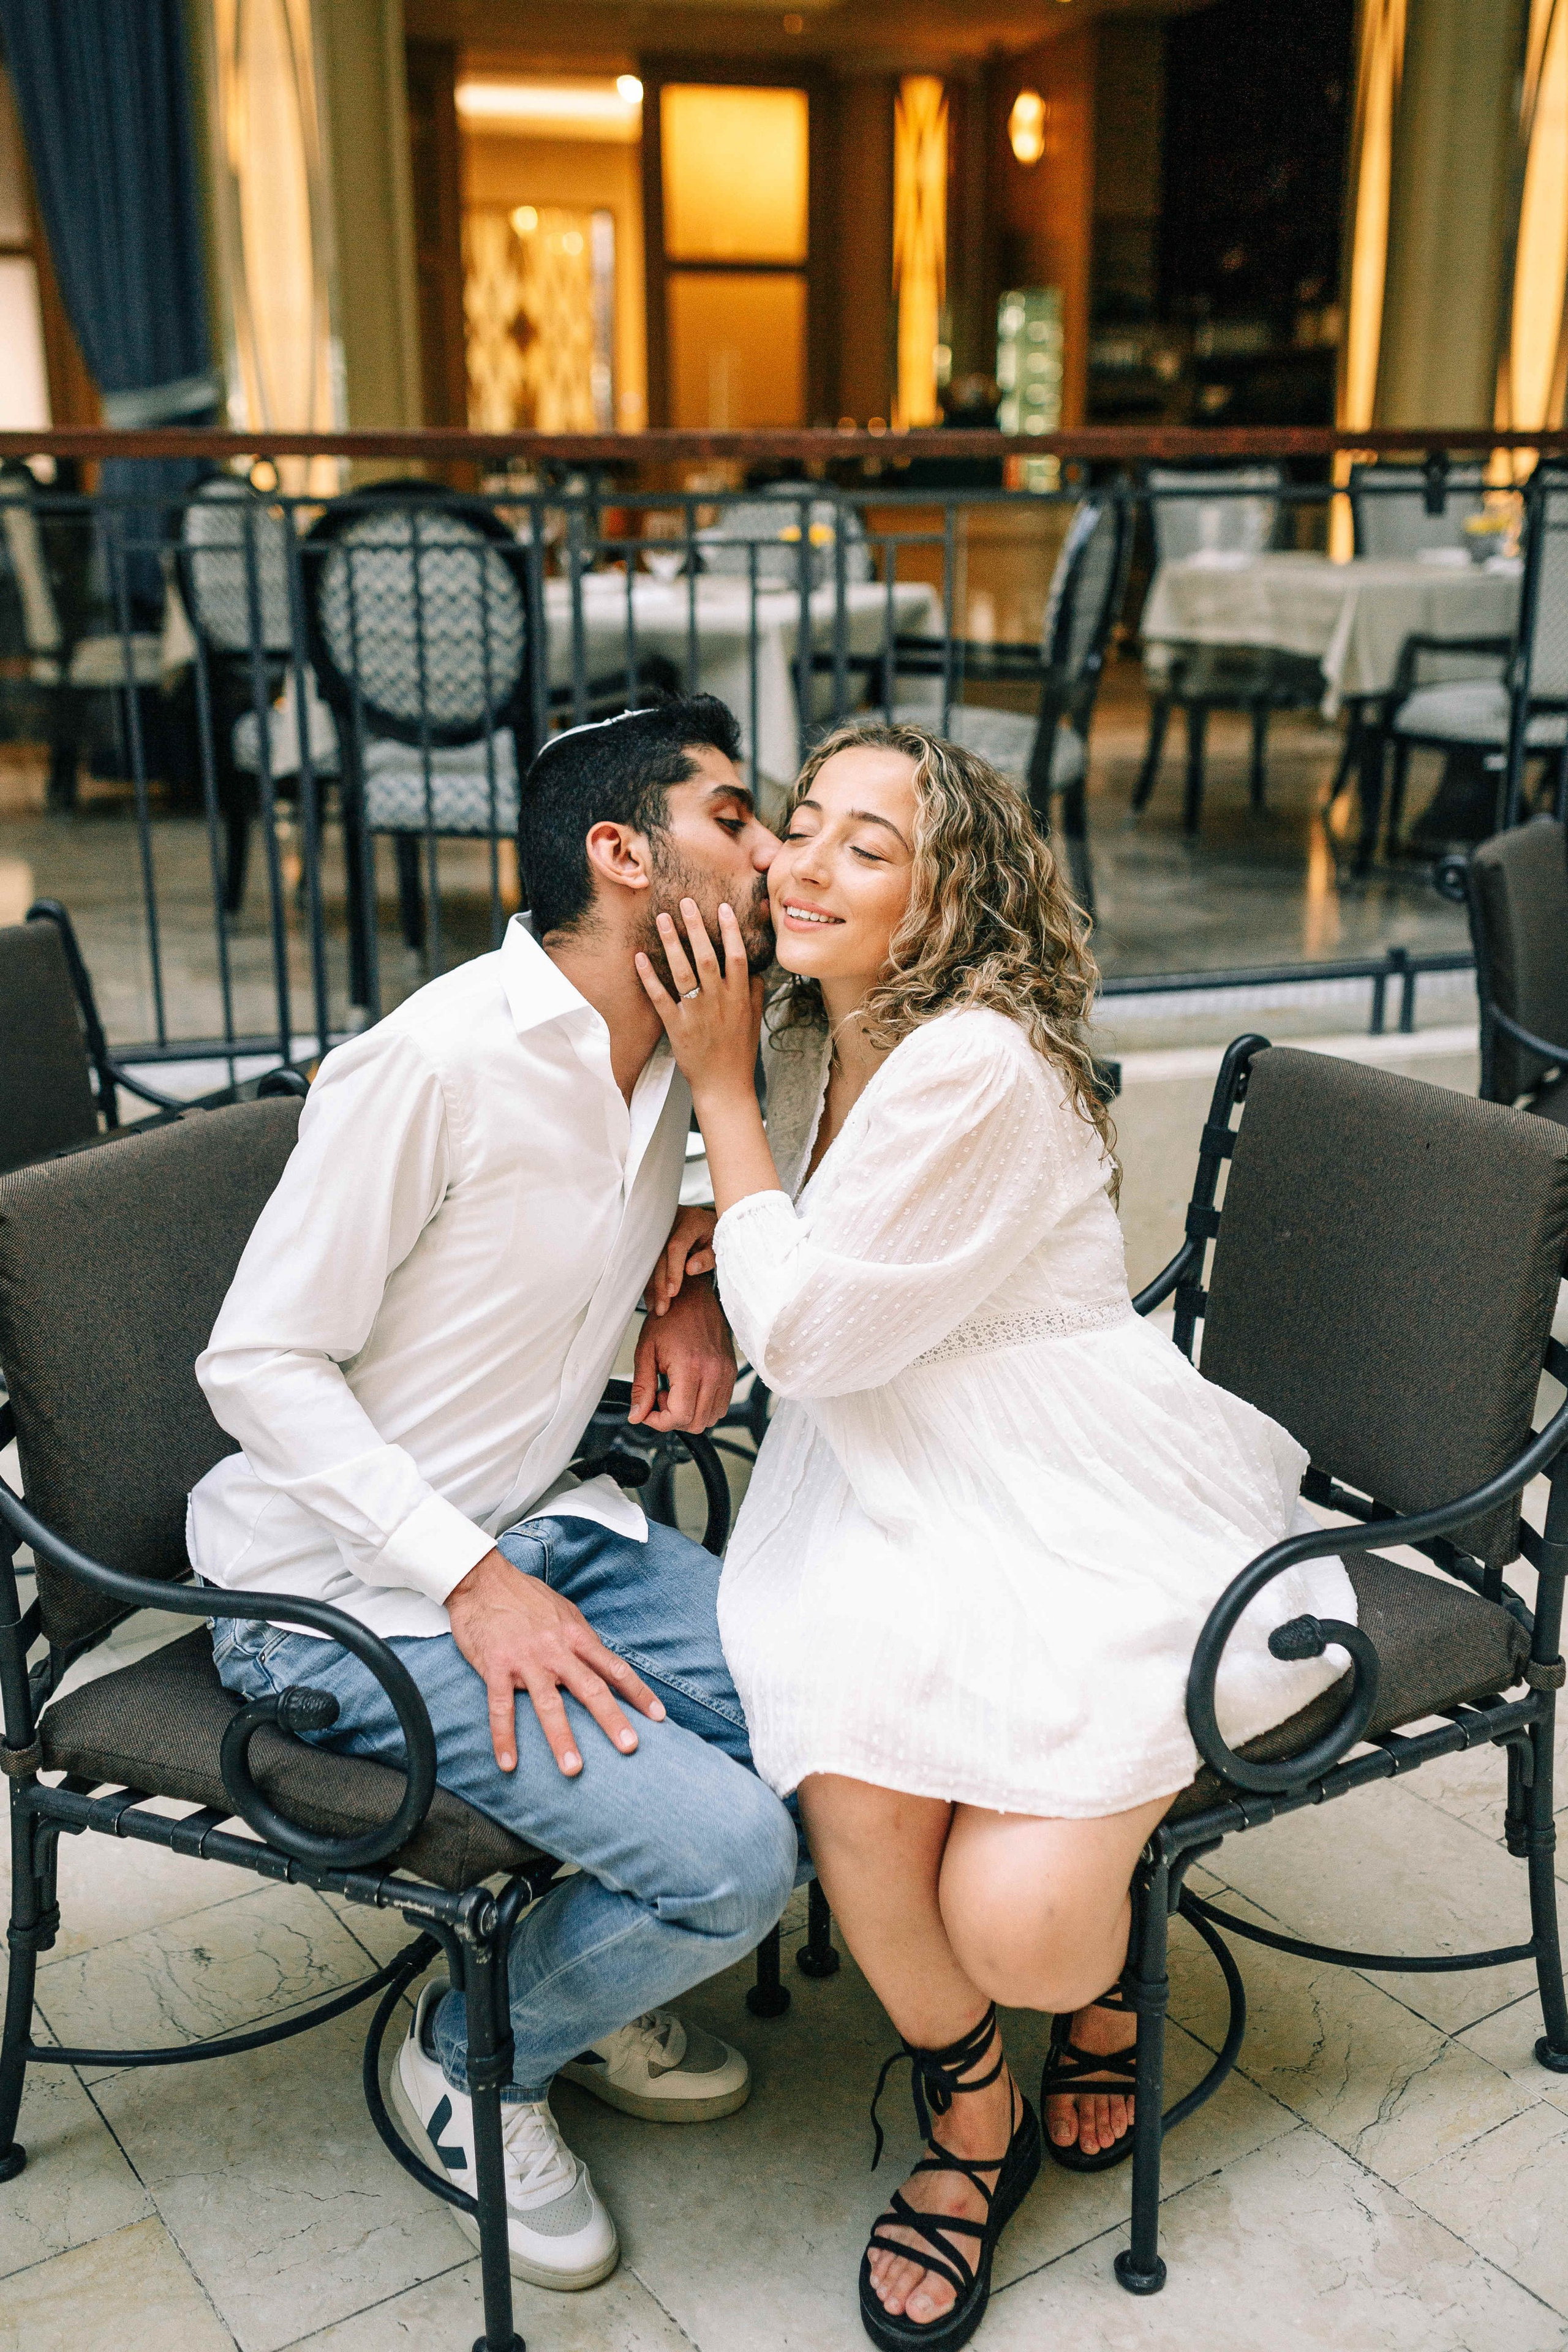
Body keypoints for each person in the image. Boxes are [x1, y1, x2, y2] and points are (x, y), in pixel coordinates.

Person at [636, 720, 1357, 2350]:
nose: (804, 861)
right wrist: (708, 1217)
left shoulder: (970, 1060)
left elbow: (806, 1336)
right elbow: (807, 1252)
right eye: (799, 825)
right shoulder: (826, 1035)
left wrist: (721, 1090)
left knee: (1023, 1936)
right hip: (881, 1478)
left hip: (1069, 1488)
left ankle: (1088, 1976)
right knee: (858, 1766)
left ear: (948, 894)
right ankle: (971, 2113)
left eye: (864, 846)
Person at [187, 696, 797, 2294]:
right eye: (737, 816)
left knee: (840, 1707)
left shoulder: (679, 1044)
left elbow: (608, 1204)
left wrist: (699, 1271)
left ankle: (578, 1975)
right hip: (336, 1593)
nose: (777, 845)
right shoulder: (434, 1061)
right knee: (736, 1855)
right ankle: (473, 2051)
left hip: (545, 1524)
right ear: (622, 853)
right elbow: (255, 1365)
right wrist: (469, 1575)